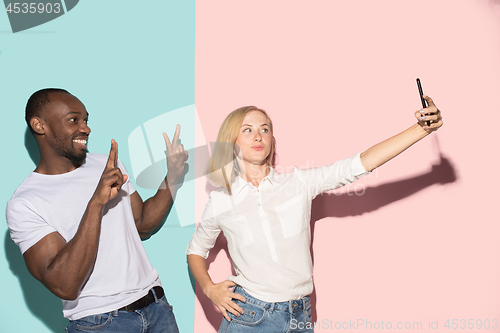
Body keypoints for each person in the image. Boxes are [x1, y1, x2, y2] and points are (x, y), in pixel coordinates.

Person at [186, 96, 443, 332]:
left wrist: (421, 129)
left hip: (300, 316)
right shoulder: (221, 200)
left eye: (265, 129)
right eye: (248, 130)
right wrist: (209, 289)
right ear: (231, 142)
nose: (258, 136)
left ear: (272, 141)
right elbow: (195, 250)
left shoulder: (299, 184)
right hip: (250, 316)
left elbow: (359, 163)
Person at [6, 88, 188, 333]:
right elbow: (65, 285)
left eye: (85, 120)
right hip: (101, 323)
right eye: (73, 120)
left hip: (157, 308)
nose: (85, 128)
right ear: (39, 125)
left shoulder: (106, 164)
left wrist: (173, 176)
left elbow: (143, 224)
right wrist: (96, 204)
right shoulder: (25, 202)